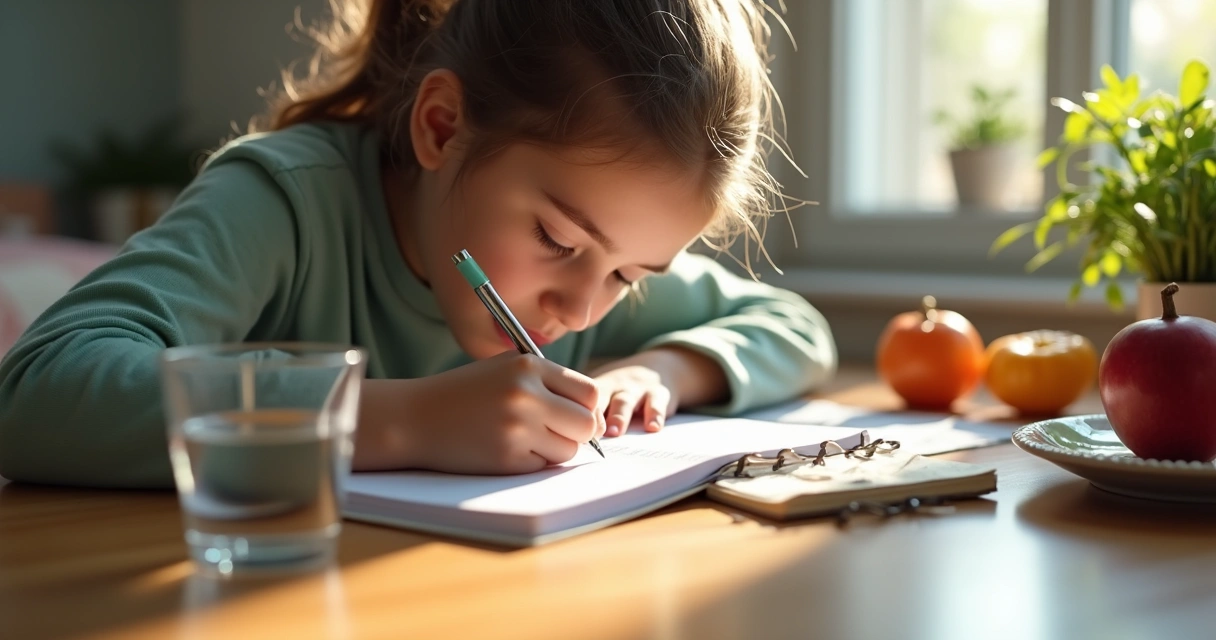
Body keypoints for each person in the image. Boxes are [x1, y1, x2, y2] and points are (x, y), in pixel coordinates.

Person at [0, 0, 837, 488]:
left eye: (629, 273)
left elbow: (795, 327)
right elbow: (37, 391)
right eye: (554, 237)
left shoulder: (589, 276)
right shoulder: (287, 201)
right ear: (443, 127)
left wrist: (660, 370)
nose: (582, 307)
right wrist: (397, 422)